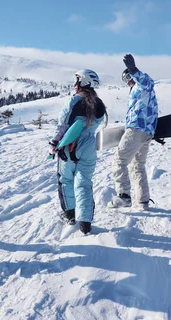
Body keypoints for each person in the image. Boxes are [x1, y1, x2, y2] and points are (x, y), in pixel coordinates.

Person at [50, 69, 106, 235]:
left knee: (66, 179)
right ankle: (85, 223)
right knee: (83, 182)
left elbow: (63, 124)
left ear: (84, 82)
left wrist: (55, 143)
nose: (74, 83)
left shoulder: (74, 100)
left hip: (71, 144)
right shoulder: (100, 104)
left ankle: (70, 215)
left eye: (77, 80)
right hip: (89, 145)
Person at [109, 54, 158, 210]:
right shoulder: (136, 92)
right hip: (146, 131)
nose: (128, 81)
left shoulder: (142, 86)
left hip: (137, 129)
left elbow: (147, 82)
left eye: (129, 78)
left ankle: (124, 195)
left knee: (119, 160)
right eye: (125, 80)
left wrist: (134, 69)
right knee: (137, 165)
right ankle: (142, 201)